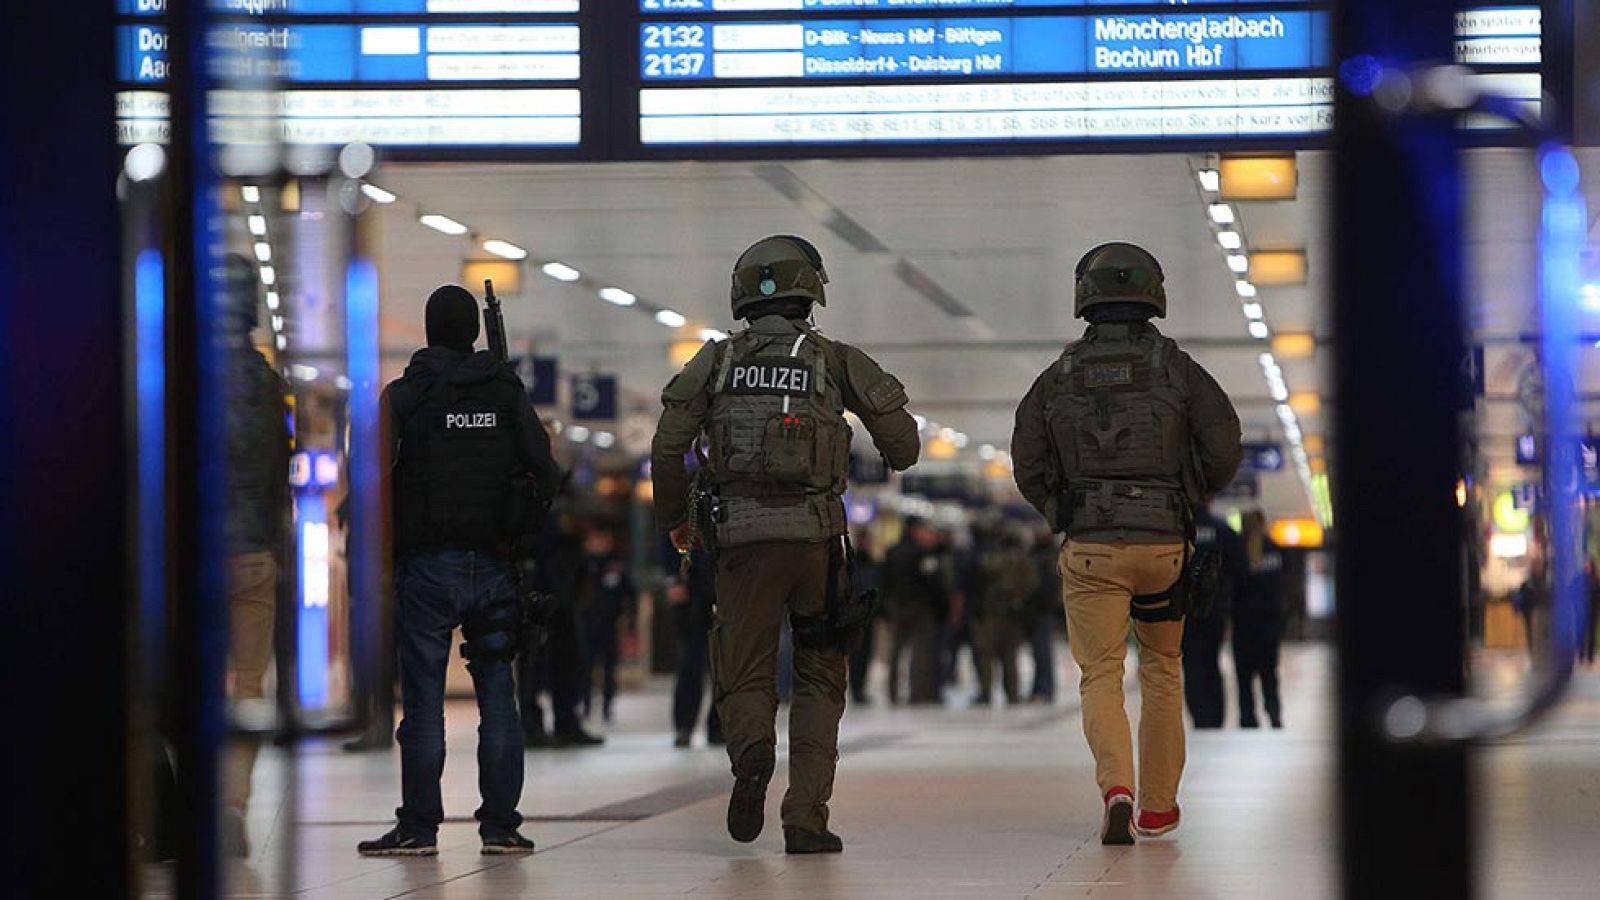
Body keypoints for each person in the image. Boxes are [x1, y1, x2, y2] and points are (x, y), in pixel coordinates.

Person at [651, 235, 920, 854]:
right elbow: (904, 447)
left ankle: (752, 752)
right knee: (820, 675)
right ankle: (805, 818)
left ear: (742, 295)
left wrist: (676, 520)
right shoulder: (835, 359)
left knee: (744, 668)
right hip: (817, 544)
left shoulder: (715, 361)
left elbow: (667, 447)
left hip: (742, 544)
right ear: (812, 291)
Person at [1011, 242, 1242, 845]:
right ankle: (1159, 806)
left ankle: (1117, 788)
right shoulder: (1178, 368)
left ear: (1085, 297)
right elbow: (1224, 445)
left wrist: (1060, 508)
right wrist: (1189, 494)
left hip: (1092, 549)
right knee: (1163, 668)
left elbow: (1026, 459)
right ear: (1153, 295)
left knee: (1101, 673)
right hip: (1164, 546)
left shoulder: (1058, 376)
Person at [358, 284, 561, 857]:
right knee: (498, 698)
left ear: (428, 331)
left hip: (424, 567)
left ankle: (419, 827)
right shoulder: (506, 392)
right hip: (495, 565)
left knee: (423, 702)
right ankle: (501, 827)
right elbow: (546, 472)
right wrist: (519, 527)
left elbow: (369, 478)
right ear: (474, 332)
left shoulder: (404, 396)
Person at [220, 254, 291, 857]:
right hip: (252, 553)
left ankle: (182, 799)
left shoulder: (172, 369)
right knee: (248, 681)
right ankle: (232, 803)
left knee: (174, 677)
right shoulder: (267, 383)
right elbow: (278, 471)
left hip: (188, 555)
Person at [518, 505, 606, 748]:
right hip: (538, 587)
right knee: (533, 663)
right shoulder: (536, 502)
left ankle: (566, 723)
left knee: (569, 660)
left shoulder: (562, 501)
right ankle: (532, 725)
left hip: (563, 590)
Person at [1182, 507, 1247, 729]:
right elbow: (1241, 571)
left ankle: (1199, 715)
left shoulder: (1180, 529)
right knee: (1211, 662)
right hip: (1214, 610)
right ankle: (1215, 717)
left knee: (1191, 664)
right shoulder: (1222, 530)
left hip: (1185, 610)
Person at [666, 534, 724, 748]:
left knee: (724, 662)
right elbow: (669, 531)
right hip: (693, 583)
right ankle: (685, 724)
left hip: (722, 578)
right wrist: (673, 577)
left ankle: (719, 725)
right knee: (690, 661)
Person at [885, 519, 951, 706]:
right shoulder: (922, 554)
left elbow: (884, 582)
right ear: (914, 530)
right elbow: (931, 582)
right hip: (920, 608)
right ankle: (918, 691)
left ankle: (893, 692)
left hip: (898, 606)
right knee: (920, 651)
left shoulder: (892, 552)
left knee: (896, 651)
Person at [973, 531, 1040, 706]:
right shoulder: (1025, 561)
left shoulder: (993, 558)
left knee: (987, 656)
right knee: (1010, 657)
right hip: (1013, 614)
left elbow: (983, 572)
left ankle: (986, 693)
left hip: (993, 614)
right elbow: (1032, 585)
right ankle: (1012, 694)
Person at [576, 528, 636, 723]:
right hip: (587, 624)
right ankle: (585, 704)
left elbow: (629, 593)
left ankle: (607, 706)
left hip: (609, 625)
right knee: (586, 668)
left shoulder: (616, 567)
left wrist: (629, 618)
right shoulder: (582, 566)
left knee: (609, 668)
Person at [1234, 511, 1286, 729]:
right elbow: (1282, 585)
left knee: (1244, 677)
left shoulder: (1238, 550)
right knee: (1269, 674)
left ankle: (1248, 719)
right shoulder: (1275, 549)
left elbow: (1232, 587)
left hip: (1244, 625)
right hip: (1269, 624)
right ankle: (1274, 715)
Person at [847, 531, 885, 705]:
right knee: (856, 653)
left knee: (866, 653)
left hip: (869, 615)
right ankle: (856, 689)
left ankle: (861, 688)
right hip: (856, 615)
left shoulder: (874, 564)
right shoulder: (851, 564)